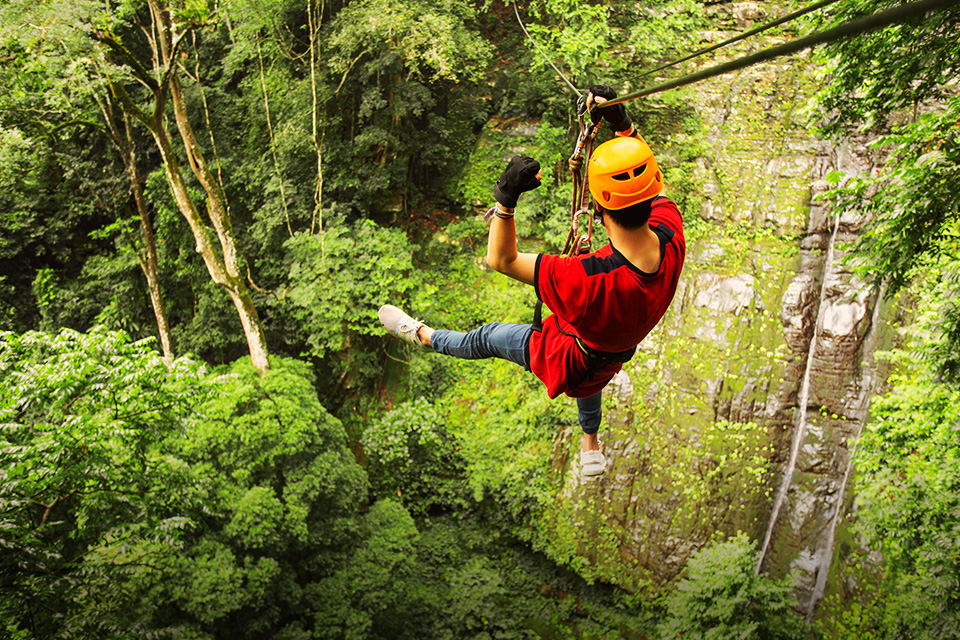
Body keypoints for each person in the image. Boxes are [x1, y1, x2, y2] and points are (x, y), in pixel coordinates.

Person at [378, 86, 685, 478]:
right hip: (610, 353)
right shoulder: (671, 236)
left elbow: (500, 259)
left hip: (566, 356)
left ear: (600, 208)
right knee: (592, 380)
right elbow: (650, 182)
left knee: (486, 337)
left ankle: (421, 334)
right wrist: (623, 127)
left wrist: (505, 198)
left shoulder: (585, 280)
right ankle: (590, 442)